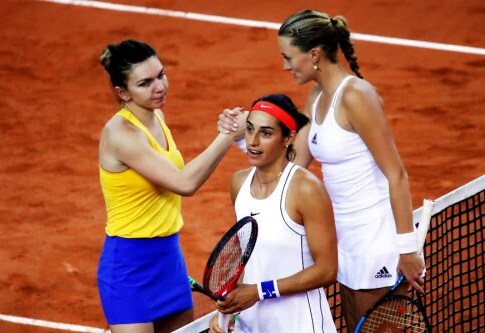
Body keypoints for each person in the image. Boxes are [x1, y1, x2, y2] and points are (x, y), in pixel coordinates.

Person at [218, 10, 425, 332]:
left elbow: (396, 174)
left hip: (374, 237)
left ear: (313, 54)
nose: (286, 66)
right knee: (356, 324)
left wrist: (406, 248)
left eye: (289, 57)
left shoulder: (356, 96)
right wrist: (242, 138)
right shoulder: (316, 97)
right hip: (341, 236)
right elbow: (293, 161)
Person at [97, 39, 244, 333]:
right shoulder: (120, 133)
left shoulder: (156, 117)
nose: (159, 86)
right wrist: (227, 136)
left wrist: (225, 133)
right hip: (129, 269)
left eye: (161, 75)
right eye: (145, 82)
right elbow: (184, 182)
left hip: (168, 261)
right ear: (122, 92)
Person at [209, 94, 338, 333]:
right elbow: (244, 256)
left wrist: (259, 291)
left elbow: (327, 270)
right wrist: (224, 312)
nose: (253, 141)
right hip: (250, 325)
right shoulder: (239, 183)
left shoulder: (306, 189)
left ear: (288, 138)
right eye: (249, 130)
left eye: (266, 133)